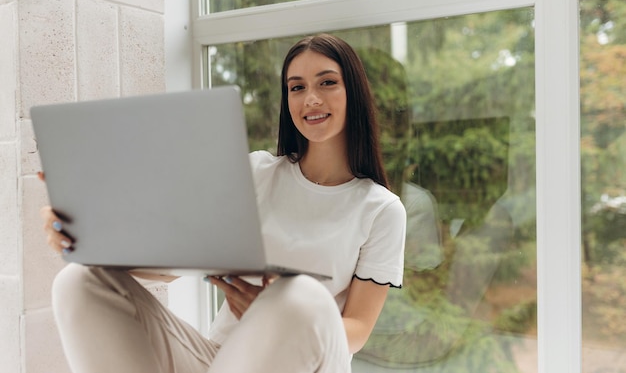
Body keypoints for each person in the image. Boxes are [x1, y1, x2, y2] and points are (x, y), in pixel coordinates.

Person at [40, 34, 406, 373]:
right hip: (220, 359)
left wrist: (274, 312)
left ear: (353, 92)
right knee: (79, 280)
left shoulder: (382, 210)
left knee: (300, 294)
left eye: (327, 82)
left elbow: (357, 329)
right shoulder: (257, 171)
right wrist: (86, 236)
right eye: (297, 87)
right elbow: (173, 264)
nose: (310, 98)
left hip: (305, 361)